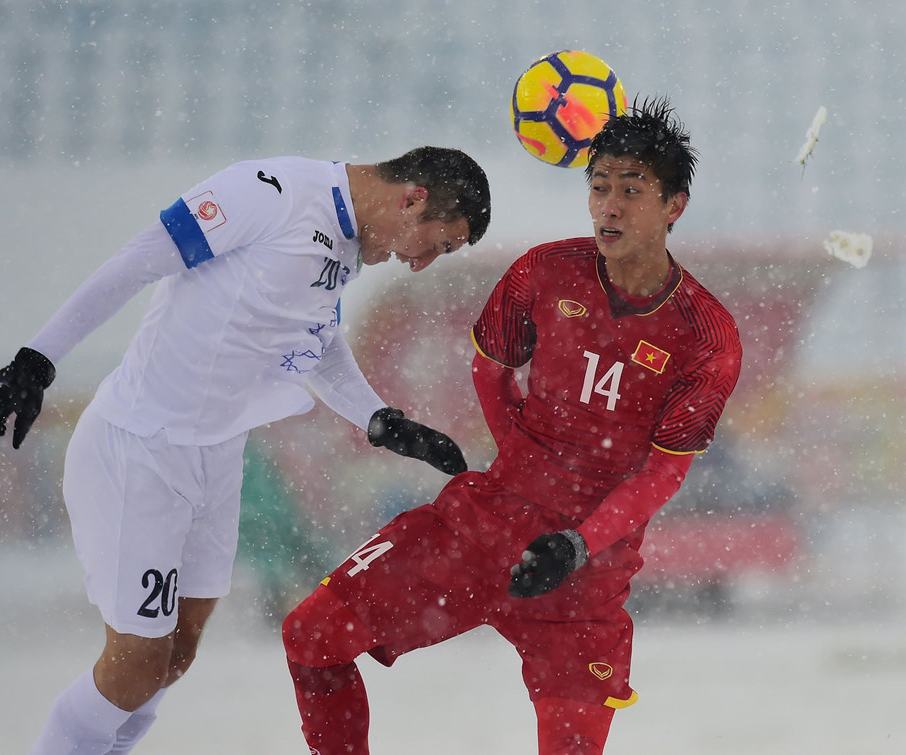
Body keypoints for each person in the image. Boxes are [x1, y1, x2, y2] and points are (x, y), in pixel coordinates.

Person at [0, 146, 491, 754]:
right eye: (438, 243)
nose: (423, 264)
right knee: (137, 663)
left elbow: (315, 341)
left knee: (175, 656)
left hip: (215, 460)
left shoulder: (345, 246)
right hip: (142, 449)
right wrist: (37, 360)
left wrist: (381, 420)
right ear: (412, 199)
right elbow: (140, 259)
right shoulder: (274, 192)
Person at [282, 98, 743, 754]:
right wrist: (525, 477)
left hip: (585, 575)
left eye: (631, 190)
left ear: (675, 206)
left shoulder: (706, 336)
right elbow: (489, 369)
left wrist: (576, 542)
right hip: (484, 523)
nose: (609, 206)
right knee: (311, 637)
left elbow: (663, 473)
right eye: (599, 187)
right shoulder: (543, 270)